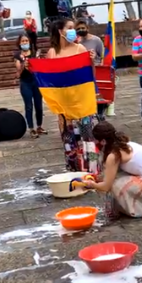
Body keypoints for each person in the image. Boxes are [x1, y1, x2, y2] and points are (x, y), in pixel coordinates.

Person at [47, 17, 101, 174]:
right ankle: (74, 172)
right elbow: (49, 79)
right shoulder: (52, 52)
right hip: (64, 105)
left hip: (82, 102)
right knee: (69, 141)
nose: (73, 30)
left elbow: (91, 76)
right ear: (60, 31)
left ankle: (92, 172)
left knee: (87, 139)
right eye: (70, 27)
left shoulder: (80, 49)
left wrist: (91, 62)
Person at [15, 34, 46, 138]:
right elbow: (18, 71)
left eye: (26, 41)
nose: (25, 43)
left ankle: (39, 126)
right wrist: (24, 64)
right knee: (29, 106)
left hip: (36, 82)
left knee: (39, 106)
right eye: (23, 41)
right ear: (19, 43)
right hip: (25, 83)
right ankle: (31, 128)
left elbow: (41, 66)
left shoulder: (34, 53)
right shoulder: (18, 55)